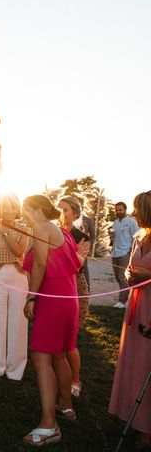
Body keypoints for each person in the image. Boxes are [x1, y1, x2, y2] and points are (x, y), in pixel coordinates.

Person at [21, 195, 87, 446]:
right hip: (67, 296)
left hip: (52, 296)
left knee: (40, 358)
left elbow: (39, 264)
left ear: (36, 210)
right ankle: (66, 406)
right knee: (59, 354)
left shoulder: (41, 227)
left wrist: (31, 297)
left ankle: (49, 425)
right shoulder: (60, 230)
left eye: (25, 210)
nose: (23, 215)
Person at [109, 190, 151, 450]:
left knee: (147, 363)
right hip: (137, 305)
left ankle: (148, 428)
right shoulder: (141, 237)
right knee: (135, 362)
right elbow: (130, 268)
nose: (135, 214)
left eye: (138, 209)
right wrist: (132, 276)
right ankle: (135, 417)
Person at [0, 194, 30, 380]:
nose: (8, 211)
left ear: (16, 209)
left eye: (11, 208)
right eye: (5, 208)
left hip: (18, 277)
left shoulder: (25, 228)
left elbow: (19, 251)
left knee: (18, 322)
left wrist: (4, 232)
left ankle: (15, 369)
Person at [58, 196, 91, 397]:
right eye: (59, 210)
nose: (61, 214)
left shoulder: (82, 237)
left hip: (74, 286)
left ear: (75, 213)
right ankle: (59, 374)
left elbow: (77, 264)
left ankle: (76, 378)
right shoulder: (53, 232)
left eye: (65, 210)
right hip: (55, 285)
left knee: (70, 339)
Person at [111, 202, 139, 308]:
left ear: (125, 209)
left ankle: (122, 302)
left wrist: (131, 253)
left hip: (125, 253)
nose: (118, 212)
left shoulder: (132, 222)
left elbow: (136, 238)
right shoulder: (115, 223)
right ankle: (127, 300)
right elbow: (114, 238)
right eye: (117, 210)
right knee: (118, 278)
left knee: (122, 277)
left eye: (120, 210)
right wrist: (111, 236)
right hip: (115, 253)